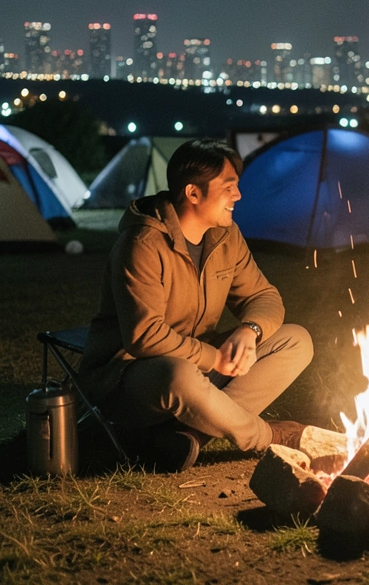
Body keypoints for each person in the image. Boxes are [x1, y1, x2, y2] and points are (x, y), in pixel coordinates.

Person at [80, 139, 313, 471]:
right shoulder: (142, 244)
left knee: (296, 340)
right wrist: (214, 358)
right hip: (130, 378)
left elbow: (265, 297)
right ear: (193, 193)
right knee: (179, 376)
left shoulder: (225, 237)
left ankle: (192, 433)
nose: (238, 196)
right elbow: (145, 337)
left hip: (200, 367)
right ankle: (267, 436)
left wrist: (250, 330)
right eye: (229, 187)